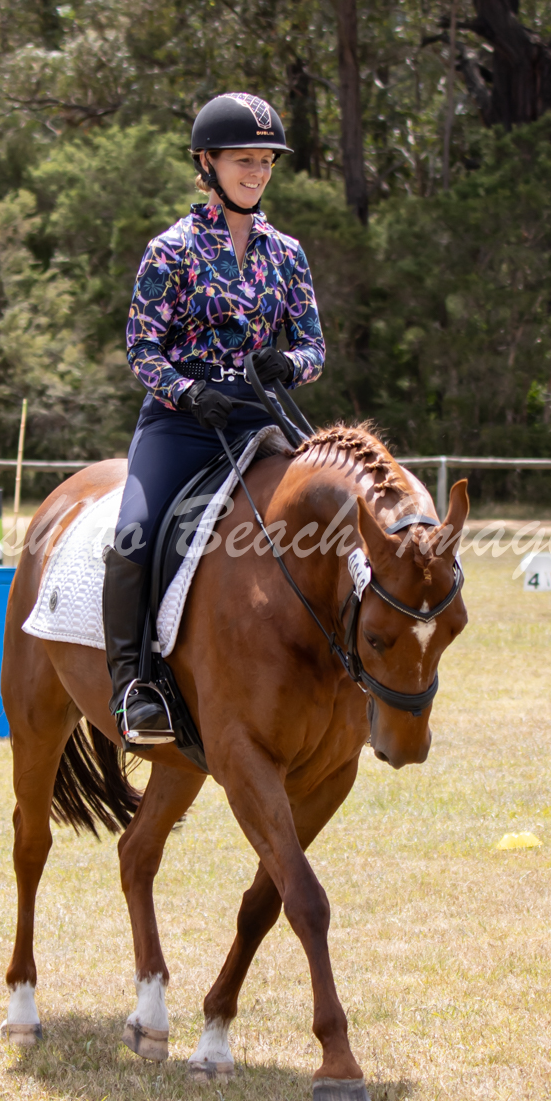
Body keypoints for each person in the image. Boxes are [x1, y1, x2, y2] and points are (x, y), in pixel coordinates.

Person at [103, 92, 326, 742]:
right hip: (182, 423)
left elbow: (314, 348)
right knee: (134, 535)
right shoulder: (170, 250)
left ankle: (349, 672)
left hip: (259, 421)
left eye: (266, 162)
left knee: (336, 519)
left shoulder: (287, 254)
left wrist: (289, 363)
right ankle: (134, 686)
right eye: (243, 160)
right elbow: (142, 347)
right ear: (208, 164)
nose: (257, 172)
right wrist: (186, 391)